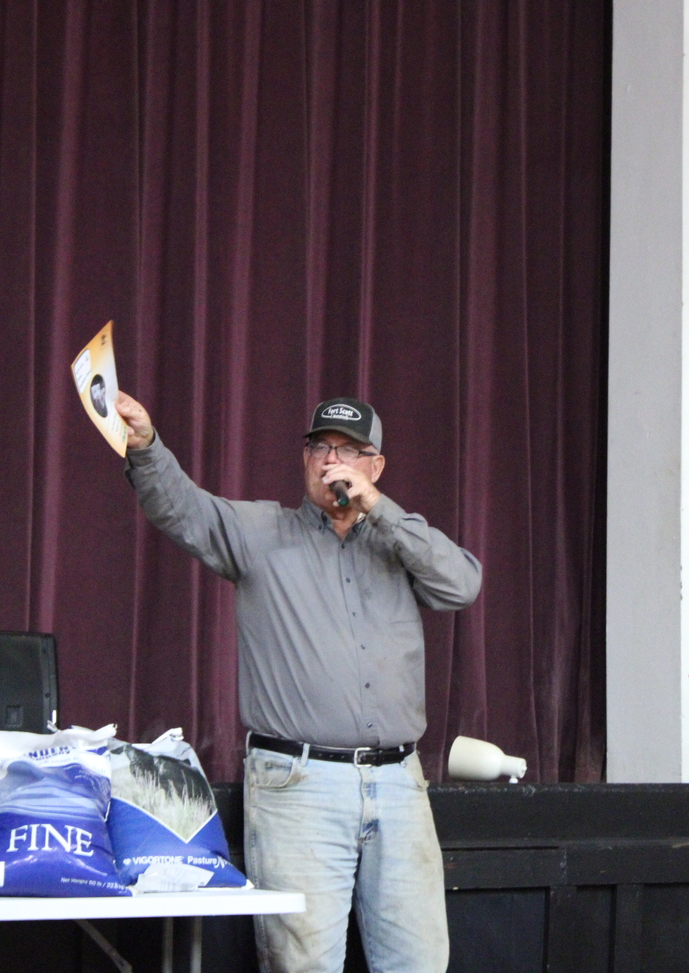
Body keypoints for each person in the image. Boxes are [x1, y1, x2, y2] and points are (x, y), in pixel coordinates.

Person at [115, 392, 482, 973]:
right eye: (321, 447)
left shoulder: (398, 542)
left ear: (375, 466)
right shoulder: (262, 531)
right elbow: (182, 508)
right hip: (300, 783)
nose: (332, 460)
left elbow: (462, 585)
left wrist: (378, 508)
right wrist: (145, 446)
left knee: (419, 963)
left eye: (349, 450)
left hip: (398, 782)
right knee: (302, 965)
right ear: (305, 459)